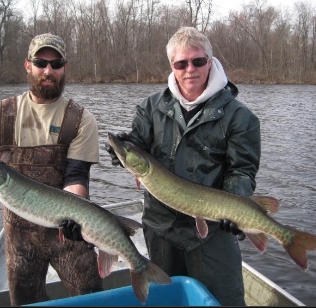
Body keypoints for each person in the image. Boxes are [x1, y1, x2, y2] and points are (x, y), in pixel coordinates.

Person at [106, 27, 261, 306]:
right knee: (169, 301)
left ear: (210, 62)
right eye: (181, 63)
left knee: (222, 300)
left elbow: (242, 171)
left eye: (198, 61)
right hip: (160, 228)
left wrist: (235, 203)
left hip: (213, 234)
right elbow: (137, 143)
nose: (190, 69)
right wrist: (122, 147)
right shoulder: (151, 107)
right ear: (172, 67)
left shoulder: (240, 117)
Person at [0, 33, 103, 305]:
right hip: (20, 239)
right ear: (28, 65)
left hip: (67, 233)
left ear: (64, 68)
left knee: (92, 298)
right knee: (24, 302)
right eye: (40, 62)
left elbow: (76, 176)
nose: (48, 70)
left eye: (56, 64)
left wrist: (75, 213)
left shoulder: (81, 119)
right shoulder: (1, 114)